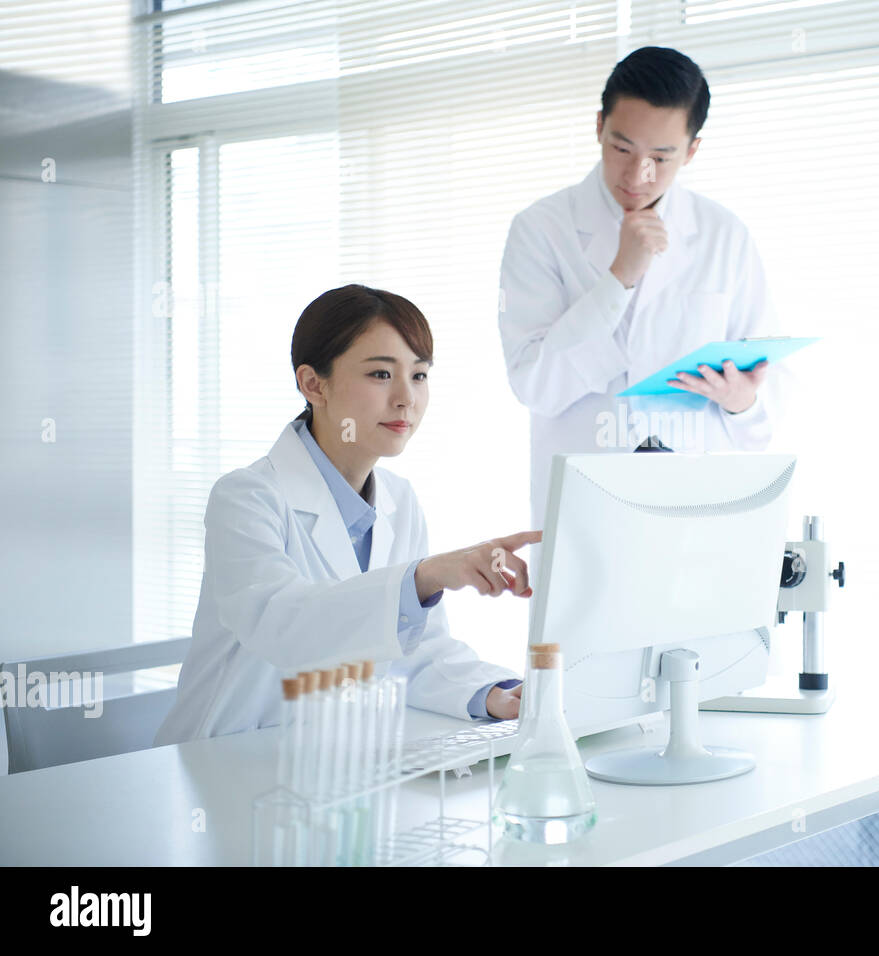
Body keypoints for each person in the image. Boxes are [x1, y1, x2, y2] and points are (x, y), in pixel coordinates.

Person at [156, 284, 536, 744]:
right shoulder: (246, 498)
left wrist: (494, 692)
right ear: (314, 384)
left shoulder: (400, 500)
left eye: (419, 376)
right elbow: (284, 626)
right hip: (227, 761)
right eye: (380, 374)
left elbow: (413, 650)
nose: (406, 399)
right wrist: (425, 577)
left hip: (337, 761)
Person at [498, 45, 784, 527]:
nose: (637, 175)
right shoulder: (540, 229)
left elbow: (767, 409)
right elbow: (536, 384)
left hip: (696, 513)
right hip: (583, 514)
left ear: (692, 150)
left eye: (661, 156)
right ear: (598, 127)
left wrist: (741, 402)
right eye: (622, 149)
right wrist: (619, 278)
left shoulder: (724, 235)